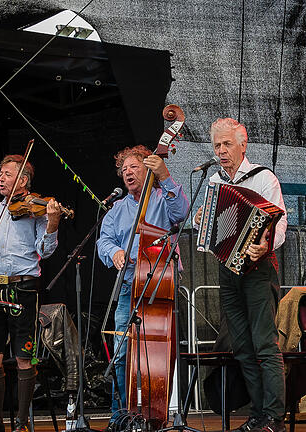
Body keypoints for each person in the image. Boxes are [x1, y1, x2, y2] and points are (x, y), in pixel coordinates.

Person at [194, 118, 288, 432]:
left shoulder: (263, 178)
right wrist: (200, 220)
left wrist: (265, 245)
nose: (221, 151)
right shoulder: (214, 182)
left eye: (226, 144)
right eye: (217, 145)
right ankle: (259, 413)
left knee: (264, 344)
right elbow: (210, 228)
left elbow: (280, 224)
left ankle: (274, 415)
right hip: (228, 270)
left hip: (259, 270)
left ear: (242, 144)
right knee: (243, 348)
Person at [0, 155, 64, 432]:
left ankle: (21, 422)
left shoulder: (36, 210)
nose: (1, 178)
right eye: (1, 173)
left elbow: (45, 251)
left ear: (22, 181)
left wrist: (53, 222)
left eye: (8, 174)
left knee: (24, 355)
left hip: (23, 286)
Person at [96, 145, 189, 412]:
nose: (128, 173)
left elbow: (181, 213)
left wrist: (165, 176)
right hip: (129, 285)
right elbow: (105, 240)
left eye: (134, 167)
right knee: (122, 350)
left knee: (159, 351)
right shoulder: (116, 209)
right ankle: (121, 414)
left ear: (147, 168)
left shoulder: (162, 198)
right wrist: (114, 252)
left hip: (161, 283)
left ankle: (155, 411)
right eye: (124, 170)